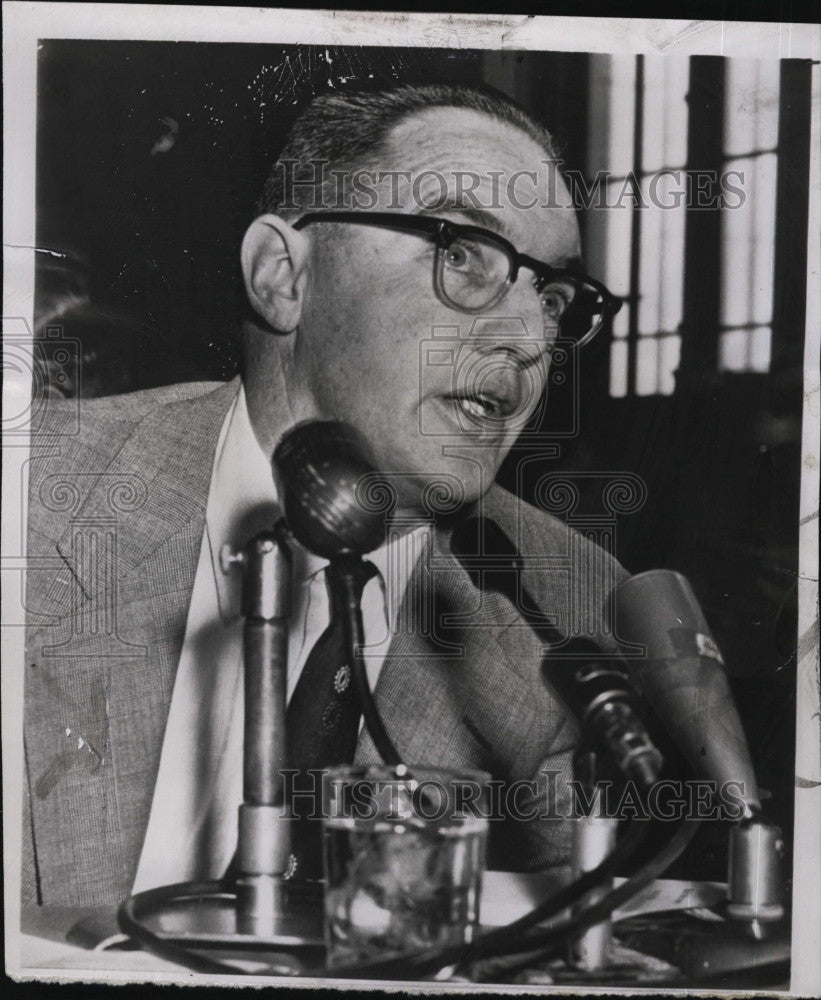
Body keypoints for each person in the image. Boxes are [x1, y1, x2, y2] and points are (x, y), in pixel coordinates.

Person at [23, 82, 624, 907]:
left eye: (551, 298)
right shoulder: (29, 494)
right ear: (282, 275)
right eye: (460, 254)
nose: (528, 342)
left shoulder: (576, 612)